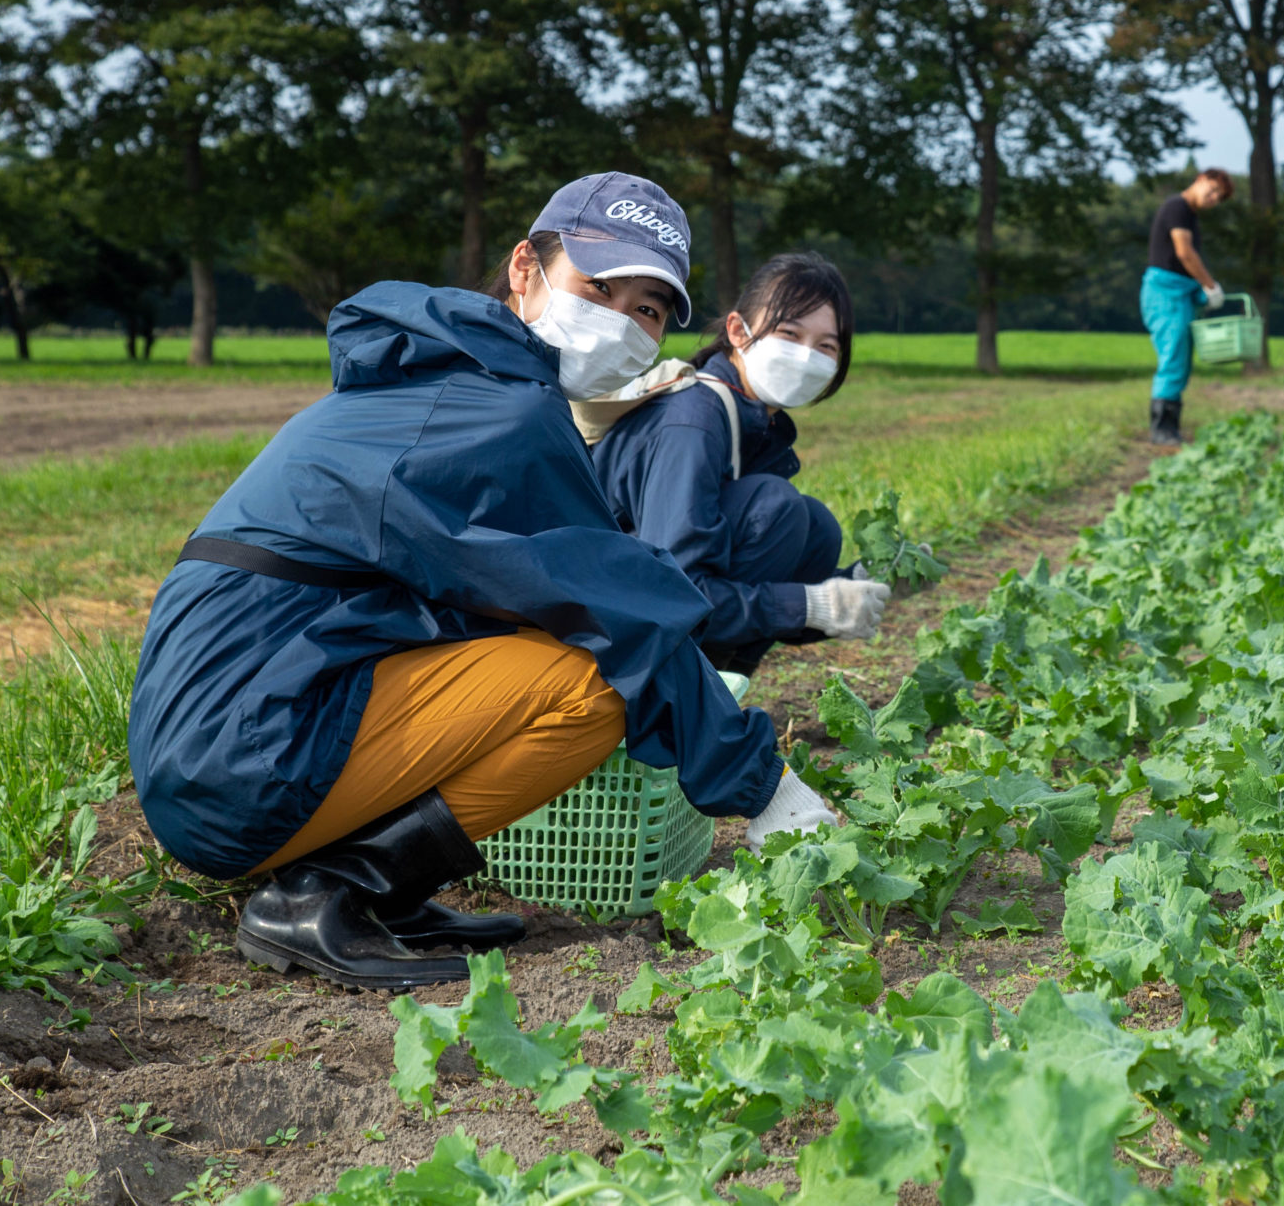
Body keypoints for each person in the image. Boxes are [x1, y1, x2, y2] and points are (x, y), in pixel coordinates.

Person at [127, 173, 838, 993]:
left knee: (542, 643)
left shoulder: (448, 376)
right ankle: (335, 889)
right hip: (240, 758)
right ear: (525, 269)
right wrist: (765, 786)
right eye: (598, 286)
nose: (618, 321)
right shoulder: (505, 416)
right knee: (591, 683)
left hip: (228, 727)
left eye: (646, 308)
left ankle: (373, 888)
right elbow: (622, 615)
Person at [580, 251, 887, 684]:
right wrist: (809, 605)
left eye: (825, 346)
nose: (805, 357)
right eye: (789, 334)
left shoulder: (755, 421)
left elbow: (756, 577)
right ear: (738, 330)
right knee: (778, 509)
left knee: (817, 528)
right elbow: (674, 590)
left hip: (640, 602)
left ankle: (718, 688)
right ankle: (670, 700)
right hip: (599, 627)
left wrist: (854, 586)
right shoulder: (693, 421)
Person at [1139, 169, 1234, 445]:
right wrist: (1210, 285)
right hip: (1165, 294)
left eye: (1220, 197)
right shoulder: (1177, 207)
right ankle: (1162, 429)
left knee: (1179, 360)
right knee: (1173, 357)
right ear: (1201, 179)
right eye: (1213, 190)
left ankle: (1171, 426)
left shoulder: (1188, 214)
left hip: (1179, 292)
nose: (1214, 198)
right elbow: (1184, 253)